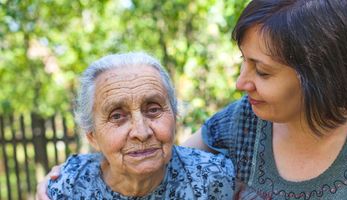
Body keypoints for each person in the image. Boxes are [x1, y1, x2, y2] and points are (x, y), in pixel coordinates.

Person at [37, 0, 347, 199]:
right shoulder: (241, 123)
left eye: (263, 71)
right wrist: (63, 182)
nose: (242, 83)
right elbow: (162, 160)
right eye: (244, 62)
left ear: (321, 75)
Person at [45, 52, 235, 199]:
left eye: (153, 110)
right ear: (92, 136)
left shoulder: (213, 178)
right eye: (117, 116)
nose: (141, 132)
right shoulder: (68, 187)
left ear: (175, 117)